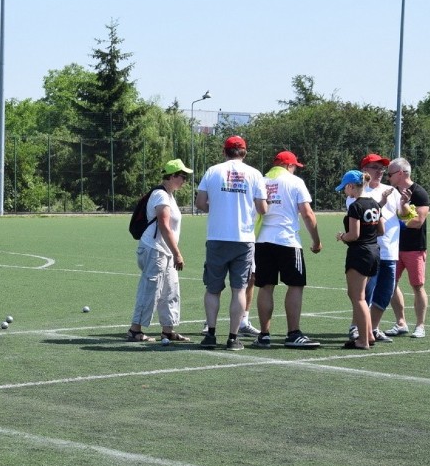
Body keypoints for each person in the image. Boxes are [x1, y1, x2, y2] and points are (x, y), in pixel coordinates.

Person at [195, 135, 268, 350]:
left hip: (217, 237)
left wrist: (215, 208)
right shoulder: (254, 174)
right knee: (239, 289)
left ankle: (210, 334)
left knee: (213, 288)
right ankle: (233, 338)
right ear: (244, 152)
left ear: (224, 151)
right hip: (243, 239)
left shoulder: (212, 171)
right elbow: (262, 208)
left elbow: (200, 203)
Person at [252, 151, 322, 349]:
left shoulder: (262, 181)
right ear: (289, 165)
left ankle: (264, 335)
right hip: (288, 240)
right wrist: (316, 240)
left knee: (265, 286)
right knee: (295, 285)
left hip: (263, 240)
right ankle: (293, 333)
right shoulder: (295, 182)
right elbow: (307, 214)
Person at [127, 159, 192, 342]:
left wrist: (173, 252)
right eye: (182, 176)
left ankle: (167, 330)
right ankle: (134, 330)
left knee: (171, 290)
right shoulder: (161, 195)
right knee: (151, 289)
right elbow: (164, 226)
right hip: (154, 250)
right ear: (172, 176)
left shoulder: (169, 195)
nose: (185, 180)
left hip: (165, 251)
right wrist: (177, 253)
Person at [347, 153, 408, 344]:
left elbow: (403, 215)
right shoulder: (357, 193)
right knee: (364, 293)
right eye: (376, 167)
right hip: (370, 251)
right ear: (365, 170)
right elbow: (366, 216)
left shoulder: (392, 190)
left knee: (385, 292)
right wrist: (380, 203)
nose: (380, 171)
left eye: (382, 168)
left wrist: (405, 205)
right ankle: (357, 329)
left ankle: (372, 329)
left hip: (390, 250)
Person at [335, 170, 384, 349]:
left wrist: (342, 236)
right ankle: (369, 334)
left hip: (360, 253)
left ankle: (362, 340)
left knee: (358, 298)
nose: (345, 192)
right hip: (374, 252)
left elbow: (354, 235)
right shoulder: (375, 204)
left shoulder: (355, 206)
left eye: (345, 189)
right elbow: (381, 230)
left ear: (351, 186)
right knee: (359, 296)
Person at [385, 157, 430, 339]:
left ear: (401, 173)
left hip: (414, 247)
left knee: (417, 286)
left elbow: (418, 221)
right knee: (390, 284)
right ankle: (401, 322)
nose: (388, 178)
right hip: (394, 246)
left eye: (390, 174)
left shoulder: (419, 193)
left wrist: (398, 223)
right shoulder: (391, 192)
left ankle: (420, 326)